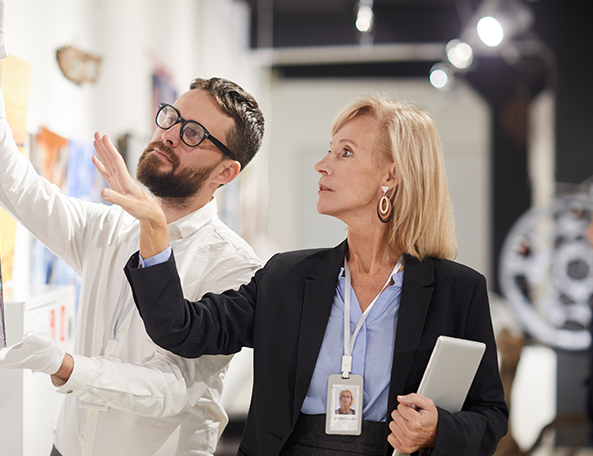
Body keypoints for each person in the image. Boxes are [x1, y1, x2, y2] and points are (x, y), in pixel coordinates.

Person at [95, 95, 509, 455]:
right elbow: (180, 329)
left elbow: (490, 417)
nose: (321, 165)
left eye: (344, 153)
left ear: (391, 175)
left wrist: (439, 430)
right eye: (329, 150)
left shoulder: (459, 290)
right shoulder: (285, 277)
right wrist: (153, 228)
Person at [0, 1, 265, 455]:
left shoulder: (234, 267)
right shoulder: (112, 227)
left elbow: (169, 388)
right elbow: (11, 184)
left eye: (194, 134)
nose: (169, 134)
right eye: (173, 118)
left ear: (226, 173)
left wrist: (63, 364)